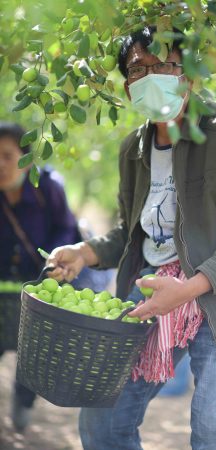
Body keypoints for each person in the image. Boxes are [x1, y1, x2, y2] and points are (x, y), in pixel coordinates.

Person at [47, 26, 216, 450]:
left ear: (188, 74)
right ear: (127, 85)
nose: (154, 76)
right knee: (103, 423)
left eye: (167, 65)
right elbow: (132, 231)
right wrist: (84, 252)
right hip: (154, 296)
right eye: (141, 68)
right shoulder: (132, 149)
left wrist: (190, 289)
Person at [0, 122, 114, 431]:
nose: (1, 164)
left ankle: (23, 403)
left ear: (26, 161)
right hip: (4, 284)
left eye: (8, 156)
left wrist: (53, 264)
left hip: (44, 280)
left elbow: (65, 228)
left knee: (32, 350)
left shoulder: (46, 186)